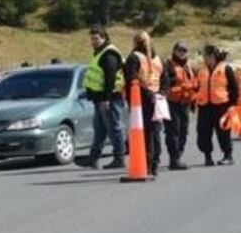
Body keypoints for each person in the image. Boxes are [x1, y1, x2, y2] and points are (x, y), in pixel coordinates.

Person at [81, 26, 125, 170]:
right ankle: (93, 158)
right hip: (99, 98)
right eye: (92, 39)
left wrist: (107, 98)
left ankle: (119, 158)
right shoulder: (100, 53)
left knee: (113, 128)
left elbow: (110, 78)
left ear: (104, 38)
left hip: (110, 98)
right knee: (99, 129)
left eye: (96, 39)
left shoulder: (109, 54)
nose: (93, 41)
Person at [124, 31, 167, 176]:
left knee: (145, 133)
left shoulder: (134, 58)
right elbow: (165, 78)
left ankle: (148, 162)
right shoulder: (158, 59)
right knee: (155, 131)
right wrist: (162, 93)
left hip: (142, 100)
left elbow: (131, 79)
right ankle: (154, 162)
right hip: (157, 98)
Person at [195, 44, 238, 167]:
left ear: (212, 56)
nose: (204, 58)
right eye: (203, 56)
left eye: (206, 55)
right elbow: (196, 86)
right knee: (203, 132)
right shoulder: (201, 70)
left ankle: (228, 155)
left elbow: (234, 89)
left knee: (223, 132)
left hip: (221, 106)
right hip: (204, 106)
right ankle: (207, 156)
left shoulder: (226, 68)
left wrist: (232, 105)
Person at [163, 41, 194, 171]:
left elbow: (193, 83)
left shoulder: (188, 66)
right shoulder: (169, 65)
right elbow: (165, 82)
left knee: (184, 131)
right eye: (179, 50)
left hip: (185, 103)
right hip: (172, 102)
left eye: (184, 50)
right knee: (173, 131)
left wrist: (193, 101)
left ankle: (178, 154)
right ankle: (174, 159)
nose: (182, 53)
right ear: (174, 51)